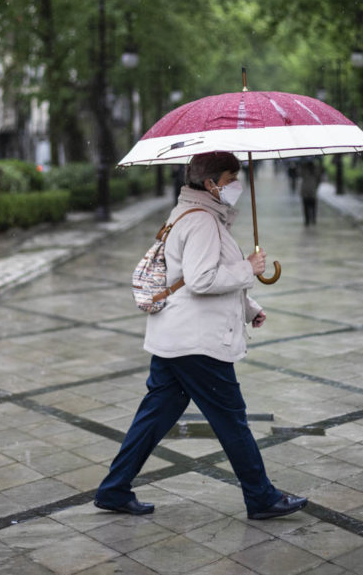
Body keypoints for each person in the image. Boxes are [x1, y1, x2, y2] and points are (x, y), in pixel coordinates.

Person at [94, 151, 308, 520]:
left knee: (154, 416)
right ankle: (261, 497)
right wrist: (249, 267)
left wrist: (249, 308)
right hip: (196, 344)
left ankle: (114, 489)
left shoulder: (188, 214)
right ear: (210, 184)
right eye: (230, 178)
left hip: (175, 337)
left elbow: (198, 276)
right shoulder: (204, 222)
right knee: (232, 419)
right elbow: (200, 280)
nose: (236, 185)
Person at [298, 158, 322, 226]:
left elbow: (299, 173)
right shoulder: (315, 170)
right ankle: (313, 219)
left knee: (306, 206)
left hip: (305, 191)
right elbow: (319, 179)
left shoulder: (304, 169)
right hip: (312, 190)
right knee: (313, 206)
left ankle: (307, 220)